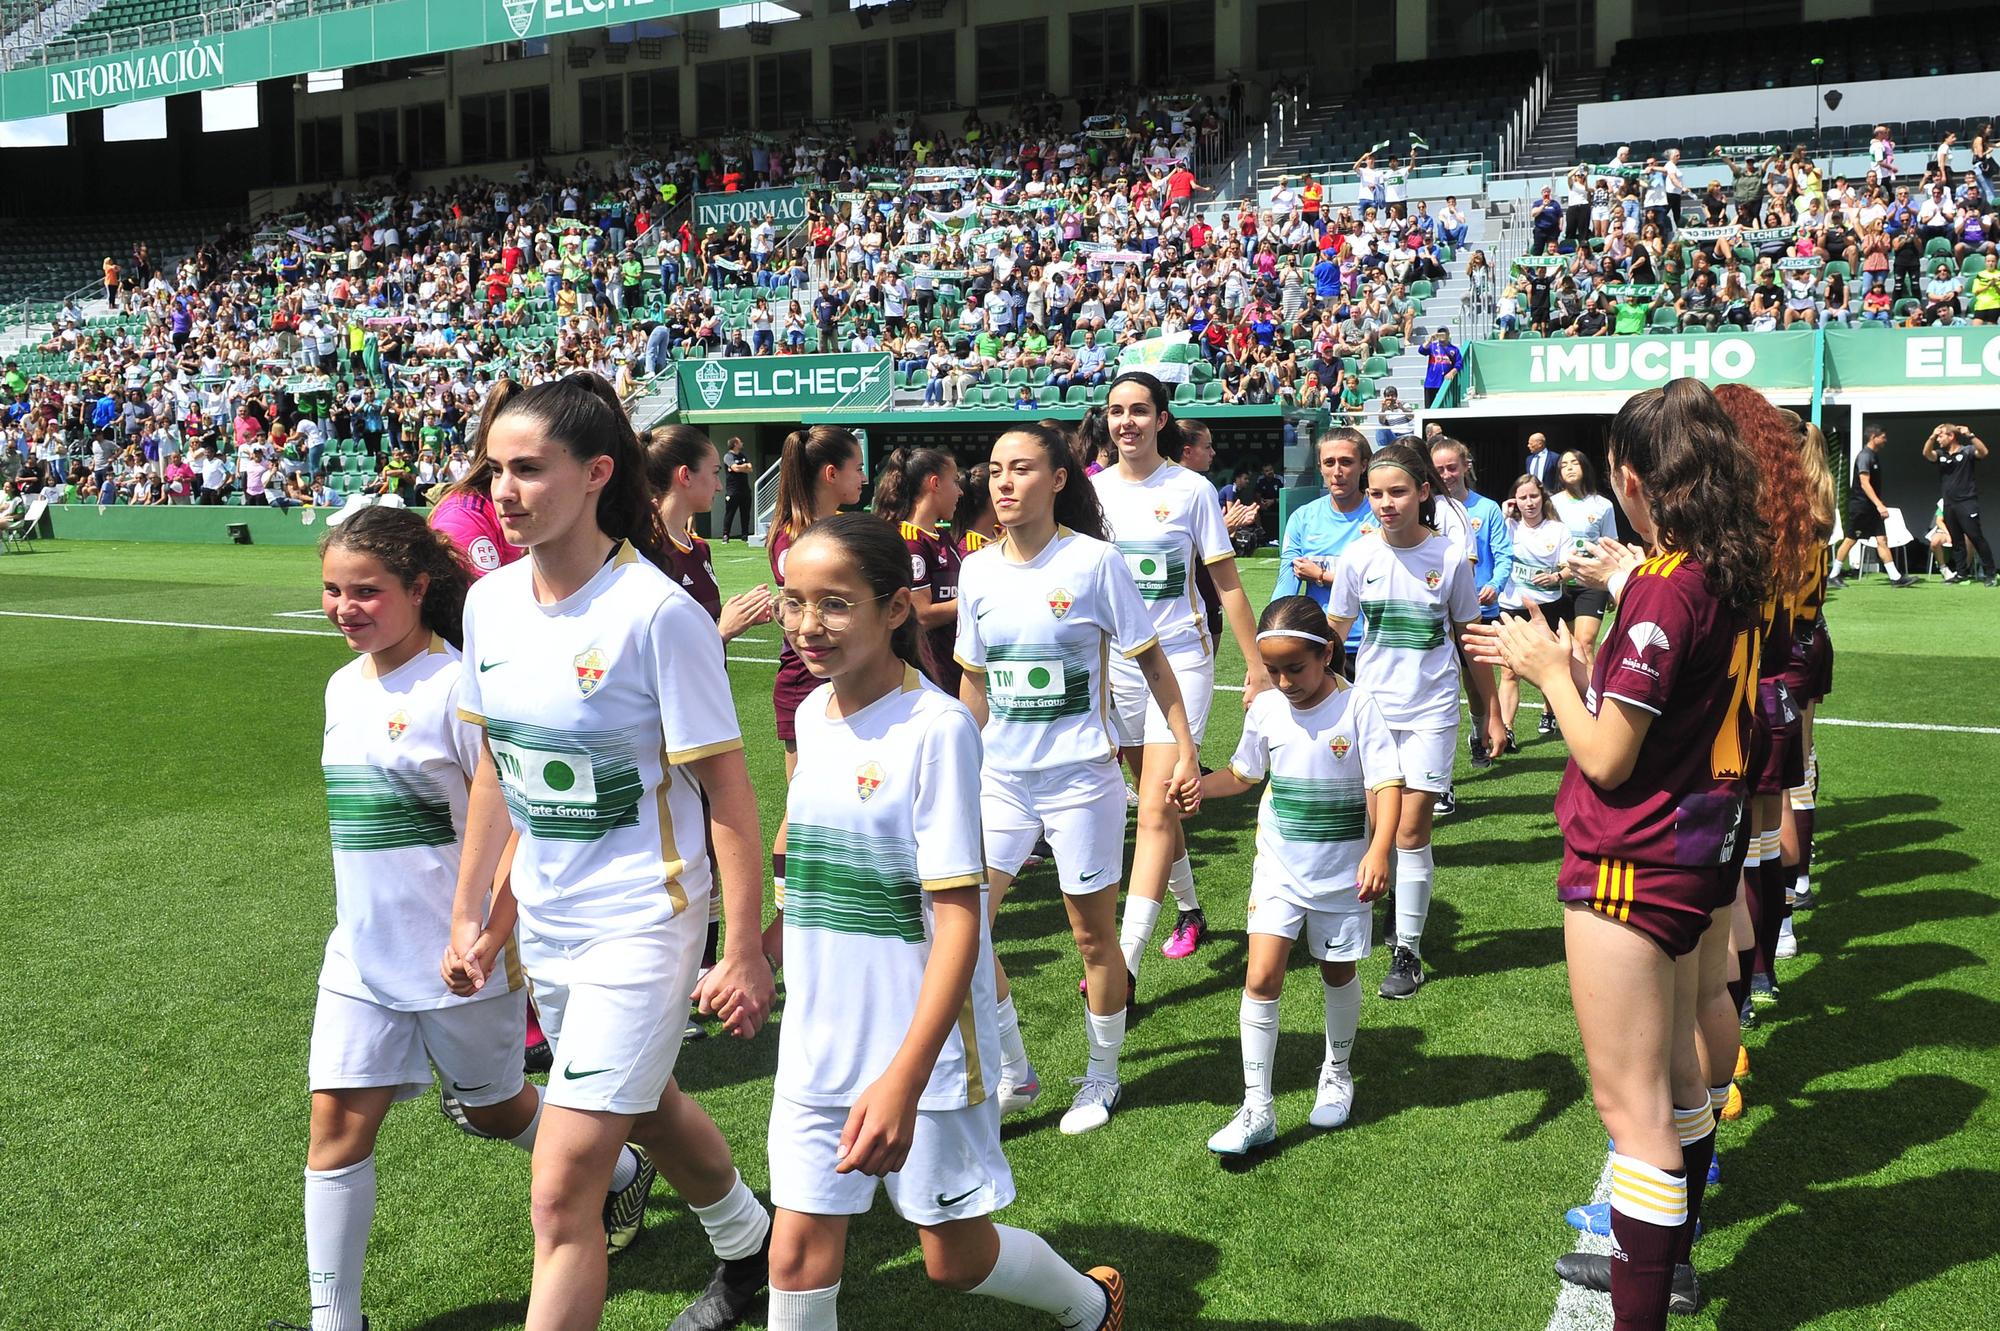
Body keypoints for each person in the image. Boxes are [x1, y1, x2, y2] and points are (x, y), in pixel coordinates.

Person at [445, 374, 776, 1331]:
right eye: (493, 470)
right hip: (547, 924)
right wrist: (476, 918)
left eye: (528, 470)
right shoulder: (490, 605)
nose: (503, 491)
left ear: (595, 474)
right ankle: (749, 1246)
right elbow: (497, 777)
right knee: (649, 1104)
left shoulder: (658, 613)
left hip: (646, 920)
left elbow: (729, 795)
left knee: (561, 1194)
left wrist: (743, 946)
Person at [764, 512, 1127, 1331]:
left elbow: (961, 923)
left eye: (833, 604)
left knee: (952, 1257)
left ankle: (1089, 1304)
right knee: (796, 1256)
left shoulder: (938, 729)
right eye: (792, 602)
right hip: (817, 1036)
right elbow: (812, 861)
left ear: (896, 608)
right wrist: (756, 953)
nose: (806, 626)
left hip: (918, 1049)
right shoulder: (814, 714)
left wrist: (904, 1073)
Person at [1467, 378, 1769, 1331]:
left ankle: (1645, 1299)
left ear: (1632, 479)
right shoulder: (1726, 567)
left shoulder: (1666, 591)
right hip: (1697, 849)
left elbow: (1603, 755)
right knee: (1678, 1090)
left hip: (1637, 861)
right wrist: (1629, 580)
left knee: (1632, 1116)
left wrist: (1547, 668)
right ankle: (1669, 1263)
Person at [279, 505, 558, 1331]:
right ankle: (338, 1322)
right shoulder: (339, 686)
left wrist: (484, 930)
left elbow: (516, 819)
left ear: (419, 588)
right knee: (334, 1121)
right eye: (332, 590)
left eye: (366, 590)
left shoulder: (460, 685)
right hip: (359, 952)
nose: (344, 607)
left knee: (491, 1107)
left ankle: (616, 1172)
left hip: (458, 955)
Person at [955, 423, 1200, 1136]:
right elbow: (975, 684)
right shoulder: (977, 570)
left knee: (1094, 941)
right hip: (998, 780)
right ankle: (1016, 1073)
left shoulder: (1094, 563)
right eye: (995, 468)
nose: (1003, 482)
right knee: (961, 927)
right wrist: (954, 771)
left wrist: (1183, 748)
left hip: (1080, 782)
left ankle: (1101, 1076)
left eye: (1021, 468)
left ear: (1057, 479)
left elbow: (1154, 664)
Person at [1193, 596, 1400, 1154]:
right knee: (1260, 977)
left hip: (1342, 877)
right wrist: (1198, 789)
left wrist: (1379, 851)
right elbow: (1243, 774)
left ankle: (1336, 1071)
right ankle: (1256, 1106)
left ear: (1327, 654)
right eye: (1273, 671)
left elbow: (1386, 784)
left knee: (1337, 972)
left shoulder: (1359, 708)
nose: (1284, 682)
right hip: (1279, 871)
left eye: (1296, 669)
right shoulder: (1265, 710)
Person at [1092, 372, 1271, 971]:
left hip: (1182, 661)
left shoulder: (1192, 489)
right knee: (1157, 805)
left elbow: (1228, 587)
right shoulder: (1090, 494)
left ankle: (1125, 966)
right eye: (1117, 411)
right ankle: (1190, 911)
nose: (1127, 422)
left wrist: (1256, 668)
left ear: (1161, 419)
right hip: (1115, 668)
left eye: (1139, 410)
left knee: (1153, 809)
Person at [1326, 443, 1501, 1000]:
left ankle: (1408, 951)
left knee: (1409, 830)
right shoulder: (1357, 558)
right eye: (1375, 494)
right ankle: (1396, 916)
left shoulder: (1449, 557)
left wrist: (1490, 713)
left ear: (1423, 492)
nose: (1384, 503)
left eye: (1397, 492)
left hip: (1430, 711)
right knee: (1379, 830)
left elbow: (1470, 639)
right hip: (1372, 710)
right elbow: (1334, 632)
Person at [767, 426, 871, 938]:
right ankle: (787, 922)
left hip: (841, 681)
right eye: (856, 468)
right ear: (831, 474)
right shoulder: (803, 539)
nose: (863, 477)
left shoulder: (823, 528)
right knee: (802, 804)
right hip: (807, 685)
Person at [1430, 437, 1512, 769]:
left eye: (1452, 467)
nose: (1447, 474)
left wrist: (1494, 584)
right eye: (1439, 469)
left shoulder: (1486, 508)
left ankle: (1479, 733)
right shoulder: (1428, 508)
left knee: (1476, 681)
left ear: (1466, 466)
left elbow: (1504, 555)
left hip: (1479, 611)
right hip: (1438, 614)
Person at [1273, 427, 1374, 672]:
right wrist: (1271, 634)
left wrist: (1320, 576)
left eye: (1346, 462)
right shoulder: (1303, 518)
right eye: (1329, 463)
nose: (1337, 471)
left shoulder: (1380, 514)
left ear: (1363, 465)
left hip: (1372, 647)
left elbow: (1385, 584)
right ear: (1320, 467)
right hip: (1320, 644)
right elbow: (1285, 586)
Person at [873, 446, 965, 695]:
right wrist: (978, 598)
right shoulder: (911, 541)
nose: (960, 491)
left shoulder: (942, 536)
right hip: (929, 671)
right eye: (955, 482)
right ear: (934, 483)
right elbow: (921, 614)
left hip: (952, 664)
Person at [1496, 472, 1571, 742]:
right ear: (1514, 500)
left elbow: (1569, 566)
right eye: (1522, 497)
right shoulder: (1506, 527)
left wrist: (1556, 577)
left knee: (1551, 666)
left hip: (1549, 606)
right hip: (1512, 607)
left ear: (1543, 497)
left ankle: (1549, 711)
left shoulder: (1558, 529)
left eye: (1534, 496)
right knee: (1509, 670)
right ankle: (1507, 729)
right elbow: (1488, 550)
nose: (1529, 502)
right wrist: (1504, 516)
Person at [1551, 450, 1619, 671]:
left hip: (1591, 583)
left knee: (1584, 644)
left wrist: (1610, 586)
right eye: (1564, 465)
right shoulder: (1550, 504)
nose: (1569, 468)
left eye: (1574, 463)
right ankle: (1553, 706)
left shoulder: (1603, 505)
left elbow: (1609, 544)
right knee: (1561, 648)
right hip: (1559, 585)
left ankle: (1591, 702)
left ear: (1585, 467)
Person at [1832, 425, 1918, 586]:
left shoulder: (1874, 456)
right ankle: (1833, 575)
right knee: (1851, 539)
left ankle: (1895, 578)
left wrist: (1877, 505)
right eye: (1883, 437)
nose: (1885, 440)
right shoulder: (1865, 456)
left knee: (1882, 540)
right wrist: (1879, 504)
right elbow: (1864, 483)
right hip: (1861, 507)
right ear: (1873, 436)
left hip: (1871, 508)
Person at [1924, 422, 1994, 585]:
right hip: (1949, 504)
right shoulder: (1941, 454)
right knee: (1956, 541)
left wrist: (1970, 435)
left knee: (1976, 537)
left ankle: (1990, 573)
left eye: (1941, 436)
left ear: (1951, 436)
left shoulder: (1967, 450)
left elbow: (1983, 452)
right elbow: (1927, 454)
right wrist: (1932, 436)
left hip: (1967, 502)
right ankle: (1961, 573)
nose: (1939, 439)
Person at [722, 436, 755, 542]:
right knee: (730, 513)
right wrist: (744, 466)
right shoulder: (728, 456)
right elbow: (735, 468)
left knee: (745, 514)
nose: (742, 443)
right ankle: (726, 535)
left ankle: (744, 535)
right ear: (735, 444)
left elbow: (750, 469)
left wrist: (742, 467)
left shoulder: (742, 456)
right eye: (740, 442)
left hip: (745, 490)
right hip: (733, 490)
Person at [1419, 328, 1462, 408]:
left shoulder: (1454, 349)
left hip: (1445, 383)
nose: (1442, 334)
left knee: (1445, 409)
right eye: (1439, 332)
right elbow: (1421, 350)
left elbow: (1459, 364)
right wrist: (1429, 340)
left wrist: (1452, 372)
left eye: (1444, 332)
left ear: (1448, 334)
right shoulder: (1432, 346)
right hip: (1431, 383)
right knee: (1430, 408)